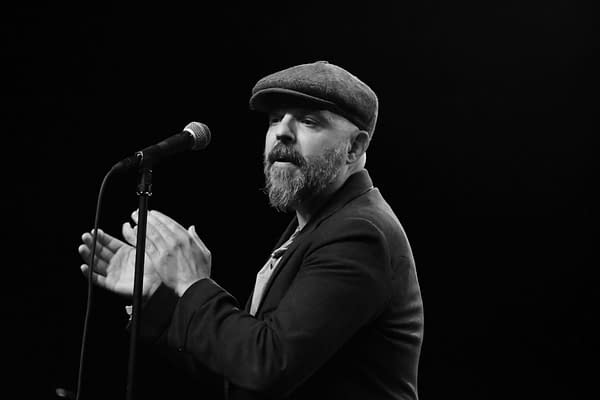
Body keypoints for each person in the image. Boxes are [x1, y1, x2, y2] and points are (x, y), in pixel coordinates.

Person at [78, 60, 424, 399]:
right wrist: (159, 295)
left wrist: (194, 284)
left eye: (307, 121)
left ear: (355, 147)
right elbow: (239, 375)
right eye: (275, 119)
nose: (282, 132)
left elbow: (267, 367)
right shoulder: (315, 226)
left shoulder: (359, 234)